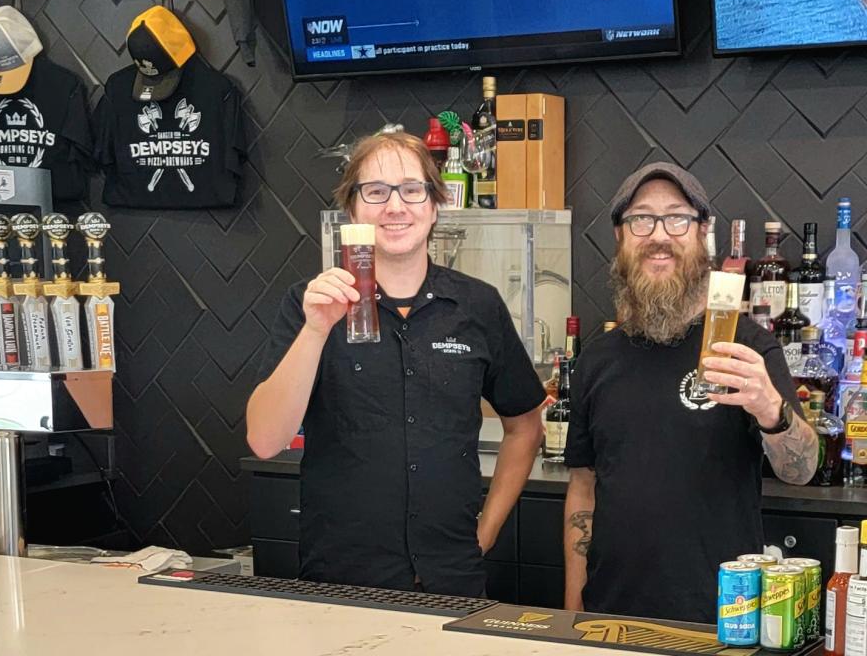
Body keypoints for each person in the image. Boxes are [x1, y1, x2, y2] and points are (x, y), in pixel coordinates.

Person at [247, 131, 545, 596]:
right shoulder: (310, 305)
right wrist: (315, 329)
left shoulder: (476, 306)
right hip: (340, 581)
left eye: (411, 189)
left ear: (434, 205)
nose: (395, 206)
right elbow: (265, 440)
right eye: (375, 192)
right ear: (352, 210)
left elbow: (525, 427)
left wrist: (484, 532)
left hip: (453, 578)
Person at [563, 162, 817, 624]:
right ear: (620, 237)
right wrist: (572, 612)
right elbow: (583, 491)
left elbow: (802, 470)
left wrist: (771, 410)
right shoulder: (596, 359)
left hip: (722, 621)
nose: (659, 234)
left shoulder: (746, 349)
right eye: (641, 218)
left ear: (703, 234)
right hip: (610, 618)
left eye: (677, 218)